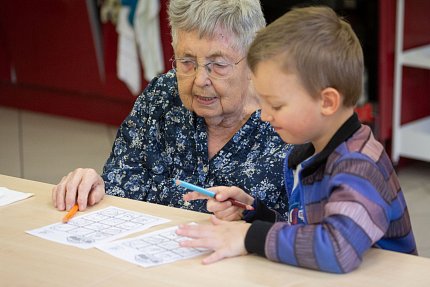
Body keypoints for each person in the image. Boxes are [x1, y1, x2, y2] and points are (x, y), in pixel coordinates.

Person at [176, 6, 417, 273]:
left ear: (327, 102)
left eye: (276, 106)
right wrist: (253, 212)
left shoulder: (360, 165)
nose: (264, 116)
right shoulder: (308, 154)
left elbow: (337, 248)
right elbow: (305, 231)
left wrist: (249, 237)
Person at [51, 0, 290, 217]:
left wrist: (256, 217)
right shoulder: (162, 96)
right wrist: (95, 186)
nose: (199, 80)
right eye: (187, 62)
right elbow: (121, 183)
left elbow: (305, 234)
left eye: (217, 65)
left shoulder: (288, 123)